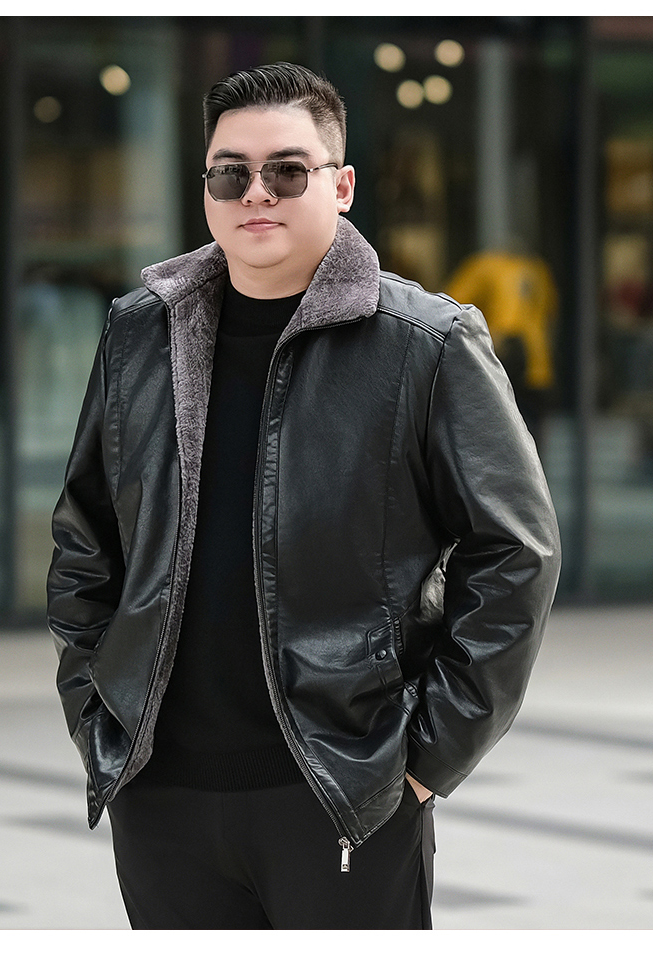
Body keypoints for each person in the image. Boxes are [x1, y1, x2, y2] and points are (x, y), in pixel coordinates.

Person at [47, 62, 561, 930]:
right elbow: (85, 535)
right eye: (230, 172)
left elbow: (517, 553)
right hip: (160, 797)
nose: (256, 192)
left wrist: (424, 760)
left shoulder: (426, 344)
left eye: (287, 170)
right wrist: (96, 708)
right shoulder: (138, 331)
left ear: (342, 185)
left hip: (342, 795)